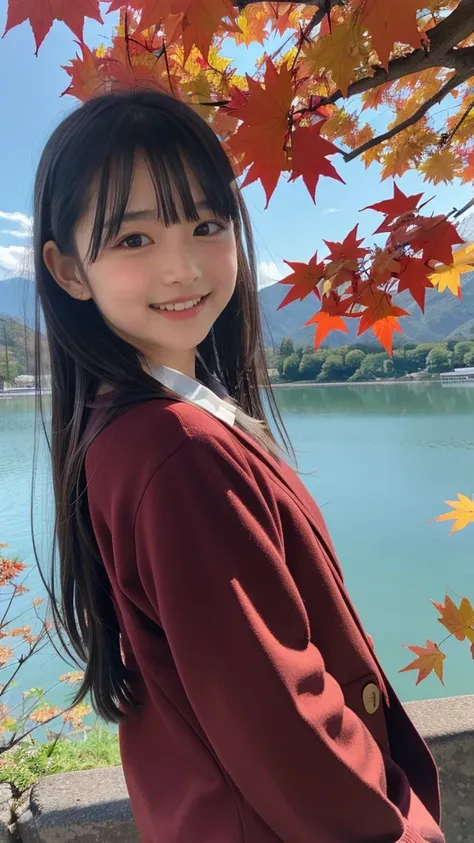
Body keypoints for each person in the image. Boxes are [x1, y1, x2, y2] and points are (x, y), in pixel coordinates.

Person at [33, 88, 444, 843]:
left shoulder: (129, 424)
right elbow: (285, 727)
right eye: (133, 240)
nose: (183, 266)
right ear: (67, 270)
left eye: (207, 224)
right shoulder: (176, 445)